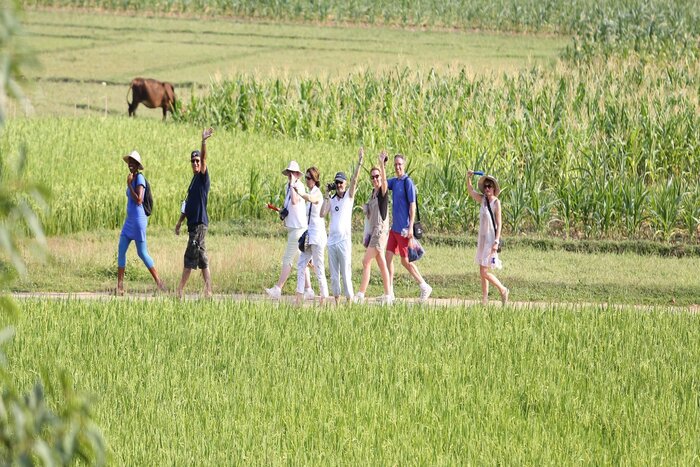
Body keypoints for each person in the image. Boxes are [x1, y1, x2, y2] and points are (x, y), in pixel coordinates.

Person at [116, 150, 166, 295]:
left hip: (138, 221)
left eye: (133, 163)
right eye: (129, 162)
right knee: (121, 250)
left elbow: (139, 199)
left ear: (138, 165)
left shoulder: (139, 179)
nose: (131, 165)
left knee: (142, 253)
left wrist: (129, 185)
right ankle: (120, 287)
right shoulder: (132, 178)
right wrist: (129, 183)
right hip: (129, 221)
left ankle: (159, 283)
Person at [386, 154, 432, 302]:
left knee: (405, 261)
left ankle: (424, 285)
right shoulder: (395, 182)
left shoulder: (407, 182)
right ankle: (390, 292)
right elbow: (383, 184)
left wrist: (410, 227)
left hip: (404, 229)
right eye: (395, 165)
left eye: (399, 164)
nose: (397, 167)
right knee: (387, 258)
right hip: (394, 229)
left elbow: (412, 206)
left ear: (404, 165)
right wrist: (382, 163)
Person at [265, 161, 313, 300]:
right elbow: (289, 206)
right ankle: (309, 289)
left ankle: (278, 288)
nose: (290, 175)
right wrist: (281, 211)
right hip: (293, 227)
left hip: (298, 228)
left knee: (288, 258)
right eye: (289, 173)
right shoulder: (289, 187)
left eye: (293, 173)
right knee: (301, 259)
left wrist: (293, 184)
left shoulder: (298, 186)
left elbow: (294, 201)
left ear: (297, 174)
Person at [175, 128, 214, 299]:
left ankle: (180, 291)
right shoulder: (192, 181)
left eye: (197, 160)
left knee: (190, 257)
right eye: (193, 161)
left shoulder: (202, 177)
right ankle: (208, 291)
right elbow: (187, 205)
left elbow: (205, 158)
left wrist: (203, 141)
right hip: (193, 224)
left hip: (199, 224)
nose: (196, 163)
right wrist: (179, 222)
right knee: (202, 258)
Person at [321, 148, 363, 304]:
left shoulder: (348, 196)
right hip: (331, 241)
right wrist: (326, 193)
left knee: (345, 272)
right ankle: (337, 300)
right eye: (337, 182)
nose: (339, 185)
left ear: (344, 184)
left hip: (344, 241)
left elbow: (354, 180)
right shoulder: (331, 199)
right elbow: (322, 213)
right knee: (334, 274)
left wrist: (359, 162)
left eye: (341, 182)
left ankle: (349, 300)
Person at [466, 170, 509, 305]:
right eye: (485, 186)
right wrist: (468, 178)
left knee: (485, 271)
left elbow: (499, 223)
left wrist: (496, 241)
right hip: (482, 239)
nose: (487, 189)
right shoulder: (483, 200)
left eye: (489, 186)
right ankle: (484, 300)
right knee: (482, 270)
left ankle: (503, 290)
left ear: (494, 188)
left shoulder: (496, 203)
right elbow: (471, 192)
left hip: (491, 240)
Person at [355, 150, 392, 304]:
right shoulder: (372, 193)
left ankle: (361, 294)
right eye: (373, 177)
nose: (376, 179)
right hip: (374, 232)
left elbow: (385, 183)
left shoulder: (382, 193)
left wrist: (382, 165)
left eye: (377, 176)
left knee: (365, 261)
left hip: (380, 232)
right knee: (381, 262)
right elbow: (371, 215)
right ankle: (388, 294)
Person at [293, 167, 329, 305]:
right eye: (306, 178)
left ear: (315, 180)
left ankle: (324, 297)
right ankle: (299, 295)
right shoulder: (310, 192)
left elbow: (311, 199)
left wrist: (301, 193)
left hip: (318, 237)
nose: (307, 180)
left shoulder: (317, 194)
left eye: (309, 178)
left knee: (319, 266)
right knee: (301, 263)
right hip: (310, 236)